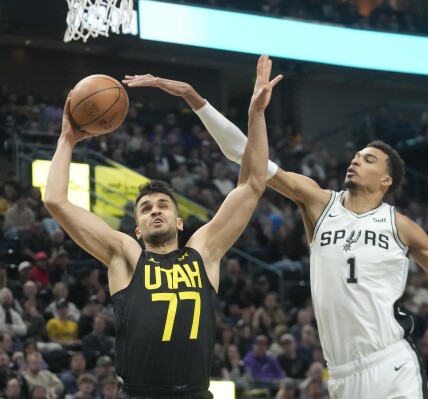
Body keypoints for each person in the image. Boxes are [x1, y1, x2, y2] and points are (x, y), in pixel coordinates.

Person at [125, 65, 428, 399]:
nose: (355, 159)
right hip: (341, 376)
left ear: (387, 180)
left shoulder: (401, 225)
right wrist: (198, 100)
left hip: (391, 363)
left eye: (369, 159)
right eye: (356, 154)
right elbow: (249, 161)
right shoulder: (318, 202)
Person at [45, 54, 282, 399]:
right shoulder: (124, 256)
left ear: (179, 221)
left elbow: (253, 183)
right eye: (145, 209)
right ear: (137, 229)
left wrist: (256, 114)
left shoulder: (204, 251)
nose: (155, 211)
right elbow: (56, 201)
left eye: (163, 205)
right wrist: (67, 139)